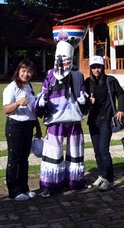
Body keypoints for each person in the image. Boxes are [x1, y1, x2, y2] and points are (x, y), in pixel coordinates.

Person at [36, 40, 89, 197]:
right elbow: (43, 92)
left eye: (66, 58)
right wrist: (41, 101)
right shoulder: (50, 75)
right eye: (59, 57)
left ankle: (75, 181)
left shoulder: (78, 75)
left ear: (71, 59)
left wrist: (83, 100)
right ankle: (50, 185)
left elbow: (83, 95)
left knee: (75, 150)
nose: (62, 61)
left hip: (73, 119)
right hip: (55, 119)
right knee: (53, 152)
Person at [2, 59, 41, 201]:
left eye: (29, 71)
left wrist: (37, 127)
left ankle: (24, 188)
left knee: (24, 159)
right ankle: (14, 191)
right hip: (15, 126)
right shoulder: (11, 88)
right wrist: (18, 103)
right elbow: (5, 109)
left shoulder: (28, 86)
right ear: (18, 71)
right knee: (14, 159)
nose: (26, 74)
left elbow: (32, 110)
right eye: (24, 71)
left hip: (28, 125)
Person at [85, 55, 124, 192]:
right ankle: (102, 174)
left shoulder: (110, 80)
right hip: (93, 120)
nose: (96, 70)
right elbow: (82, 99)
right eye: (94, 67)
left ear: (103, 68)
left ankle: (109, 178)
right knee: (96, 151)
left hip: (106, 120)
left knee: (103, 149)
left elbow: (121, 93)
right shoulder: (87, 82)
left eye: (99, 67)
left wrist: (121, 109)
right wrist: (88, 102)